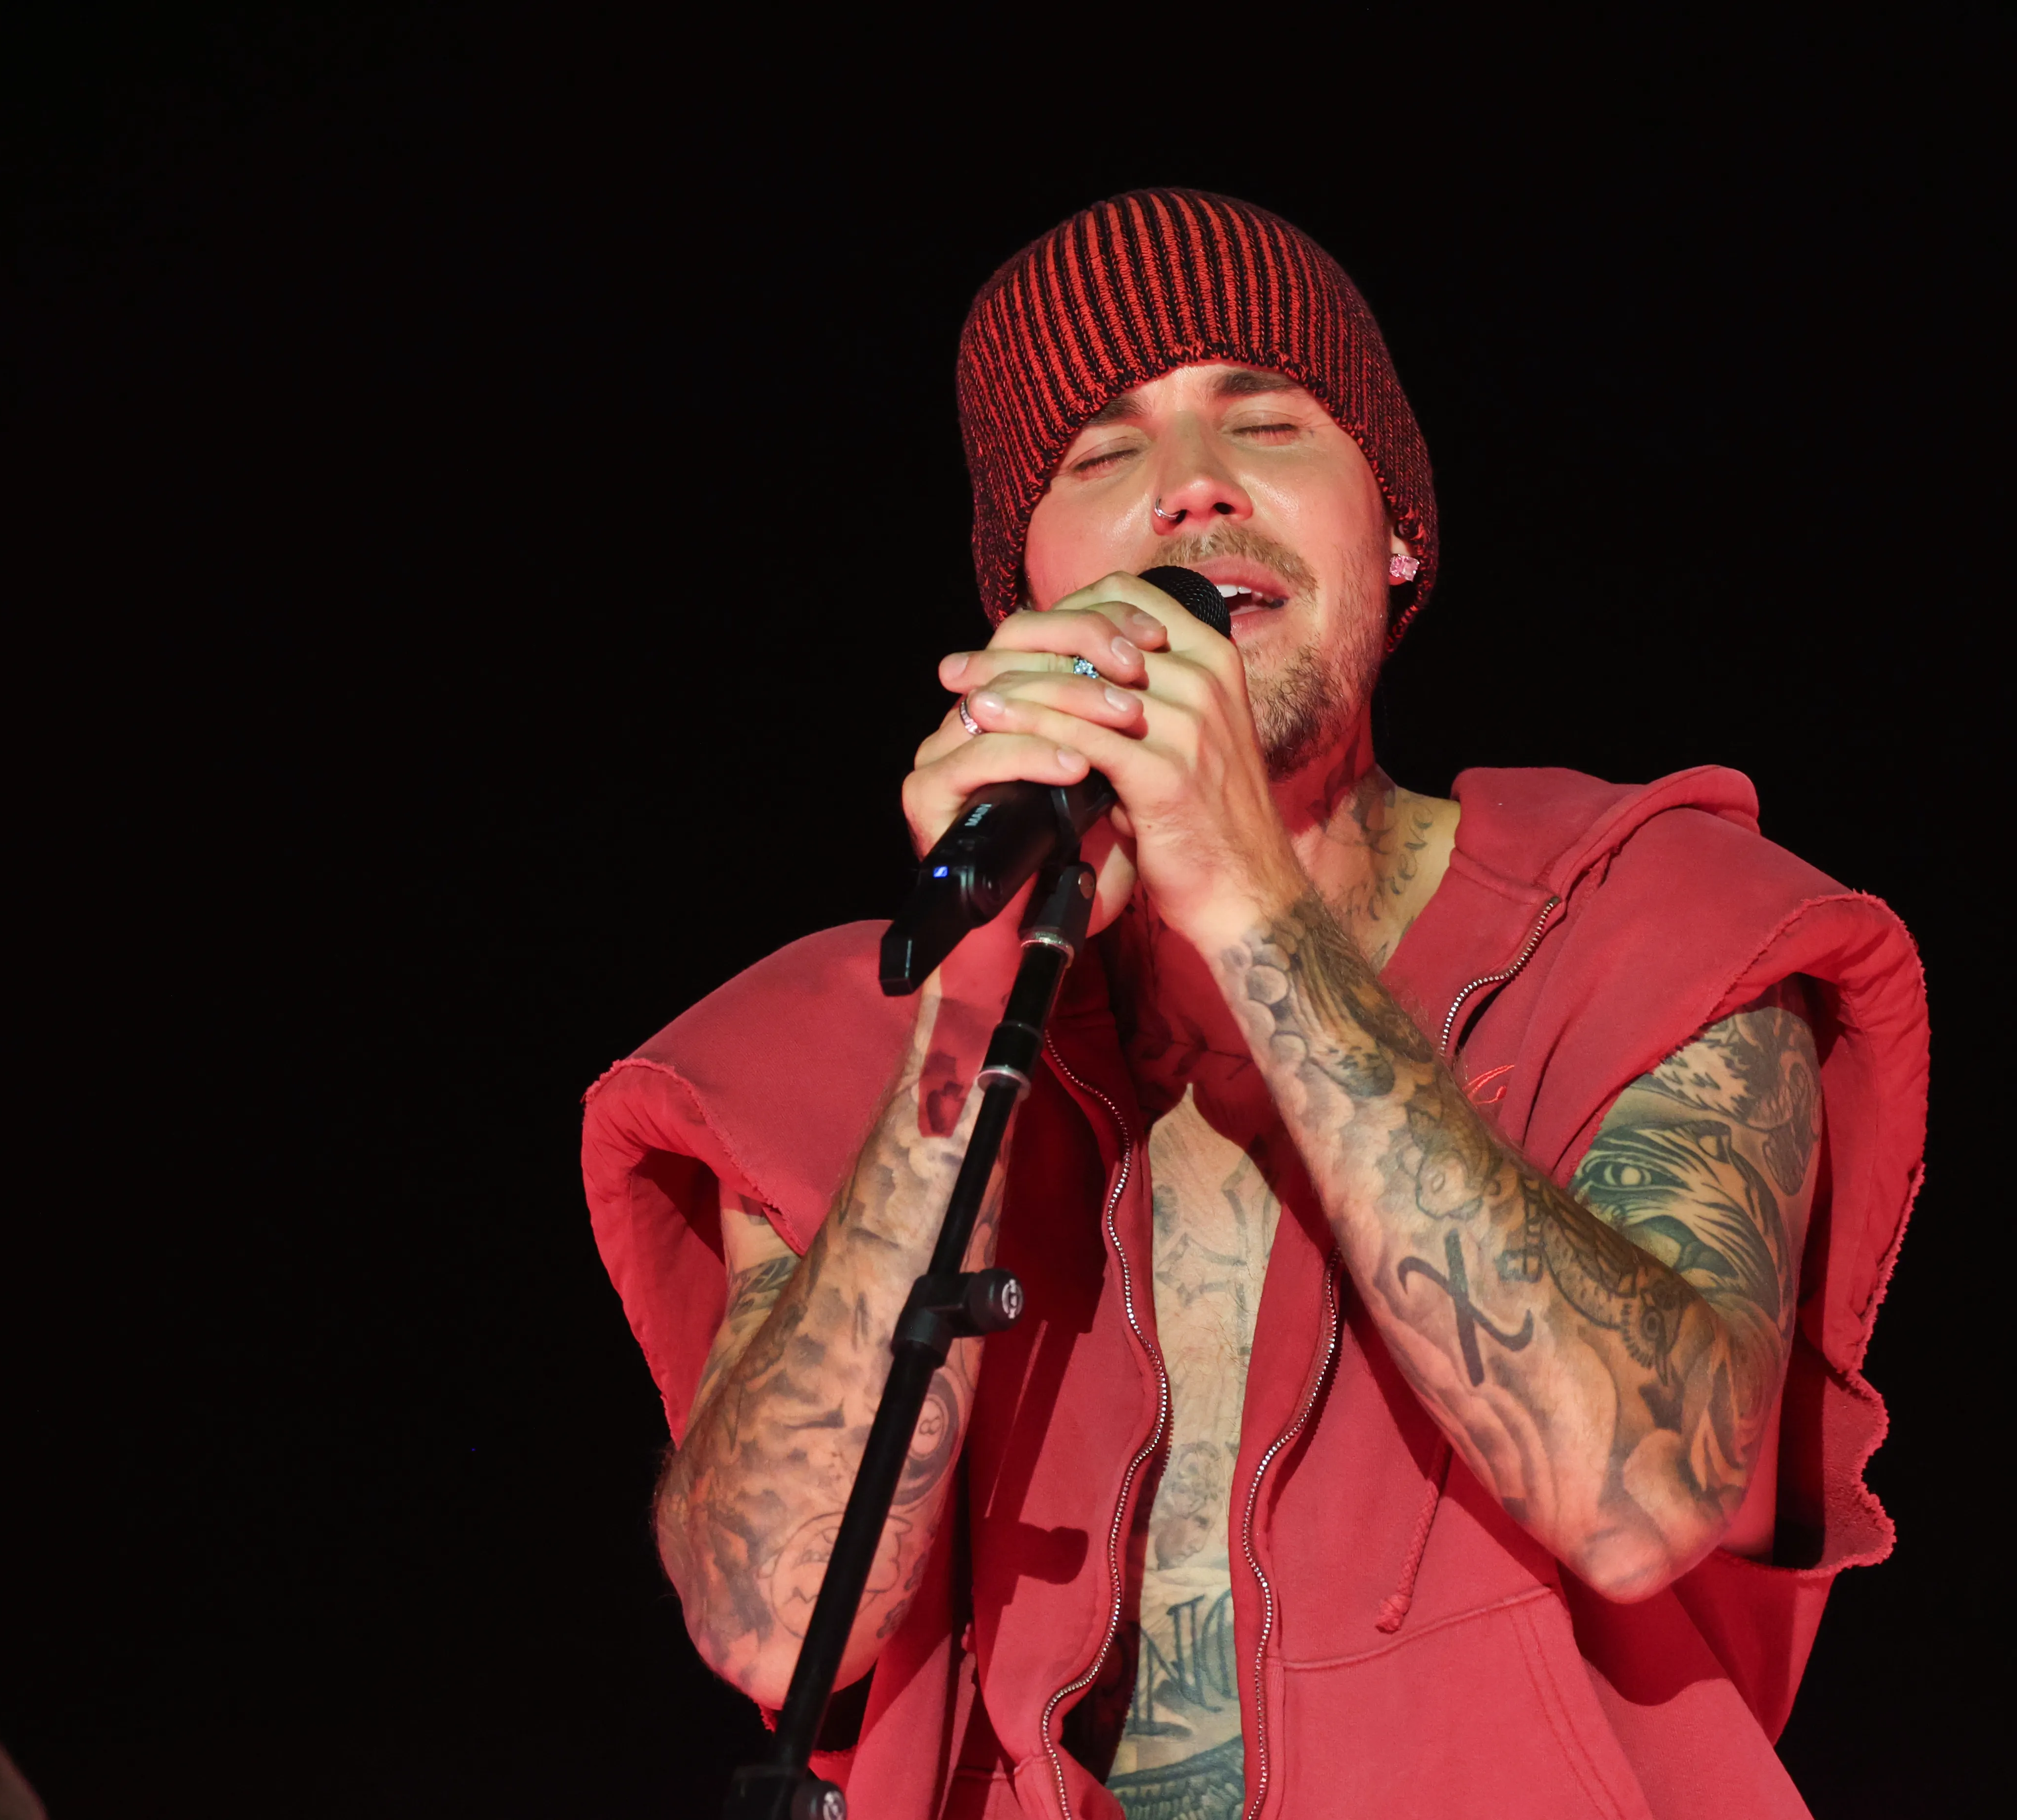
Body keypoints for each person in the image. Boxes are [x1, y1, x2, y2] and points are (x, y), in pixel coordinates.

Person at [584, 189, 1928, 1820]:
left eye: (1267, 419)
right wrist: (968, 1000)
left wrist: (1256, 910)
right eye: (1098, 454)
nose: (1190, 486)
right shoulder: (856, 1040)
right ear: (1022, 597)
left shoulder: (1653, 920)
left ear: (1399, 533)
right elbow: (773, 1613)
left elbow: (1649, 1486)